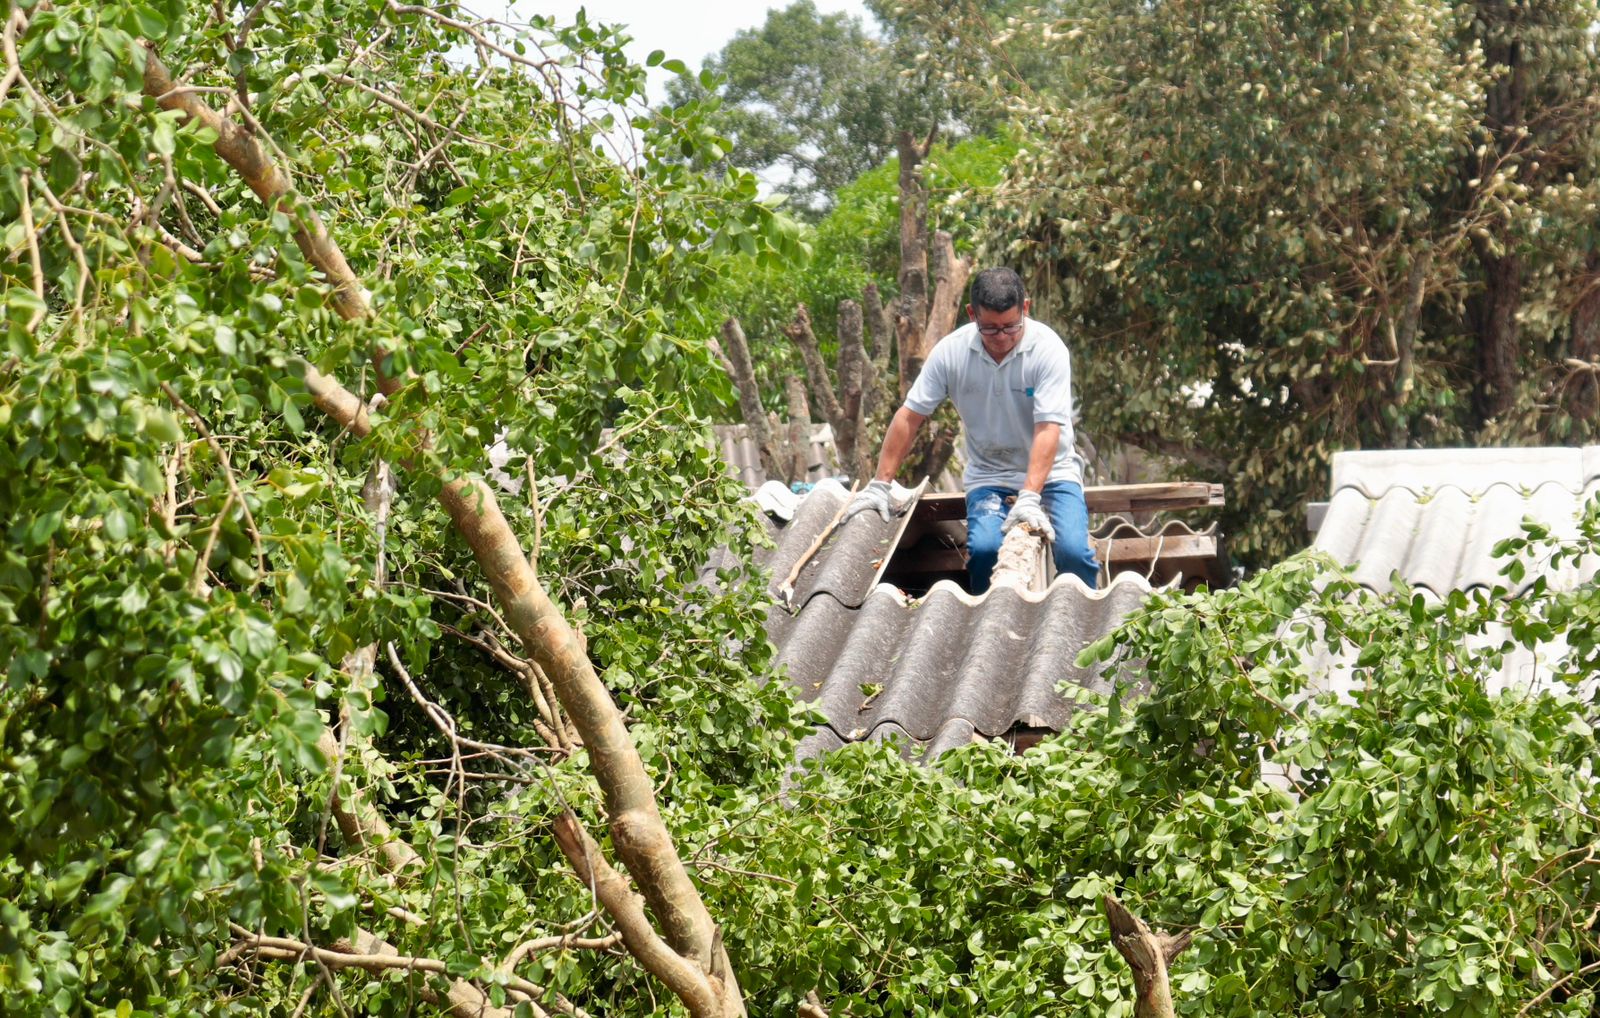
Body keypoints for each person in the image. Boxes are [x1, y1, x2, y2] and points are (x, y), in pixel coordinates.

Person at [842, 267, 1098, 593]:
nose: (1002, 337)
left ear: (1026, 308)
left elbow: (1048, 428)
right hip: (989, 476)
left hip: (1054, 475)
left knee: (1074, 554)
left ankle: (1085, 633)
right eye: (990, 329)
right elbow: (910, 416)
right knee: (985, 554)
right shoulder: (951, 353)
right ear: (971, 314)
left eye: (1011, 326)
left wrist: (1030, 497)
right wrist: (881, 484)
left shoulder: (1048, 349)